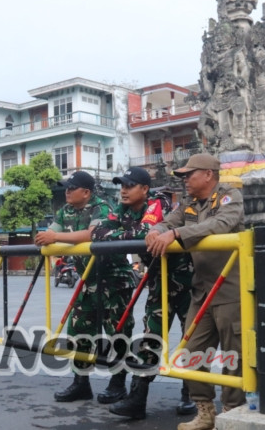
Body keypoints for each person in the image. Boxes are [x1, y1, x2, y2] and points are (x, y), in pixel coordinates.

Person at [145, 153, 245, 430]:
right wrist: (156, 230)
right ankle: (205, 411)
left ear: (208, 175)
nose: (184, 179)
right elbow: (167, 222)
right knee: (189, 353)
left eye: (189, 174)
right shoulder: (188, 204)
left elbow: (221, 224)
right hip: (201, 290)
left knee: (234, 355)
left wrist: (177, 235)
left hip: (231, 288)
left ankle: (232, 413)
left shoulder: (229, 196)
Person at [101, 169, 197, 420]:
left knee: (192, 338)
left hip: (187, 282)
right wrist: (125, 236)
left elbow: (145, 234)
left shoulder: (158, 204)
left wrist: (120, 236)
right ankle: (137, 398)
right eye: (121, 185)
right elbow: (99, 233)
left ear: (144, 189)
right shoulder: (122, 209)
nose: (123, 190)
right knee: (150, 338)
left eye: (129, 185)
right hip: (158, 282)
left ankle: (192, 394)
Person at [34, 170, 125, 404]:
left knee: (116, 331)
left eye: (71, 188)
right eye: (66, 188)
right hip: (87, 280)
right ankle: (81, 383)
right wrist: (46, 237)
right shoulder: (65, 210)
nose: (66, 192)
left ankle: (118, 384)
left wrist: (55, 237)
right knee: (79, 330)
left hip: (112, 278)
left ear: (86, 192)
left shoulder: (102, 207)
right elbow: (52, 233)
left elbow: (92, 235)